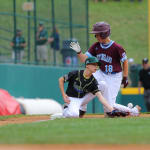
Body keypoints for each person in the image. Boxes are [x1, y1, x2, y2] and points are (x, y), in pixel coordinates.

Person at [51, 57, 140, 120]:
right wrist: (63, 95)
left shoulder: (93, 80)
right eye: (94, 64)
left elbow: (100, 97)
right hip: (72, 99)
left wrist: (112, 110)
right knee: (74, 115)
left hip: (84, 98)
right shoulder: (76, 73)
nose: (96, 67)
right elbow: (61, 80)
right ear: (87, 65)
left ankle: (109, 111)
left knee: (103, 84)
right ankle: (65, 111)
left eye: (97, 65)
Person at [69, 21, 128, 114]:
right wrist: (79, 52)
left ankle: (132, 111)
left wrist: (125, 77)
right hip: (101, 73)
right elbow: (85, 59)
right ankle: (81, 107)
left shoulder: (116, 47)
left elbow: (125, 61)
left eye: (97, 34)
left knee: (109, 106)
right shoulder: (96, 46)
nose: (95, 36)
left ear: (104, 34)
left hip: (114, 77)